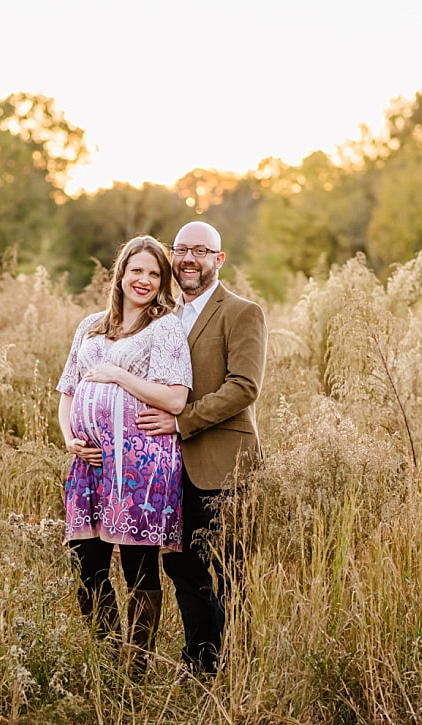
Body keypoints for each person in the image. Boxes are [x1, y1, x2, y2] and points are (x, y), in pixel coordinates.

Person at [137, 221, 267, 678]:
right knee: (181, 568)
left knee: (232, 573)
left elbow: (244, 387)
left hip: (224, 466)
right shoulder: (159, 318)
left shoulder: (241, 312)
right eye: (181, 250)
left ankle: (243, 668)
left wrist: (181, 420)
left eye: (201, 251)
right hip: (168, 469)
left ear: (219, 258)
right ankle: (203, 663)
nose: (189, 259)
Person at [56, 235, 193, 669]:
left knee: (138, 566)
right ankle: (107, 654)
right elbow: (67, 391)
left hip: (141, 464)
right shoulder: (90, 326)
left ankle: (135, 667)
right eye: (137, 270)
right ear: (121, 273)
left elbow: (174, 399)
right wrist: (69, 438)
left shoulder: (165, 326)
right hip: (89, 463)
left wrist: (117, 374)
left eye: (155, 274)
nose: (145, 280)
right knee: (87, 563)